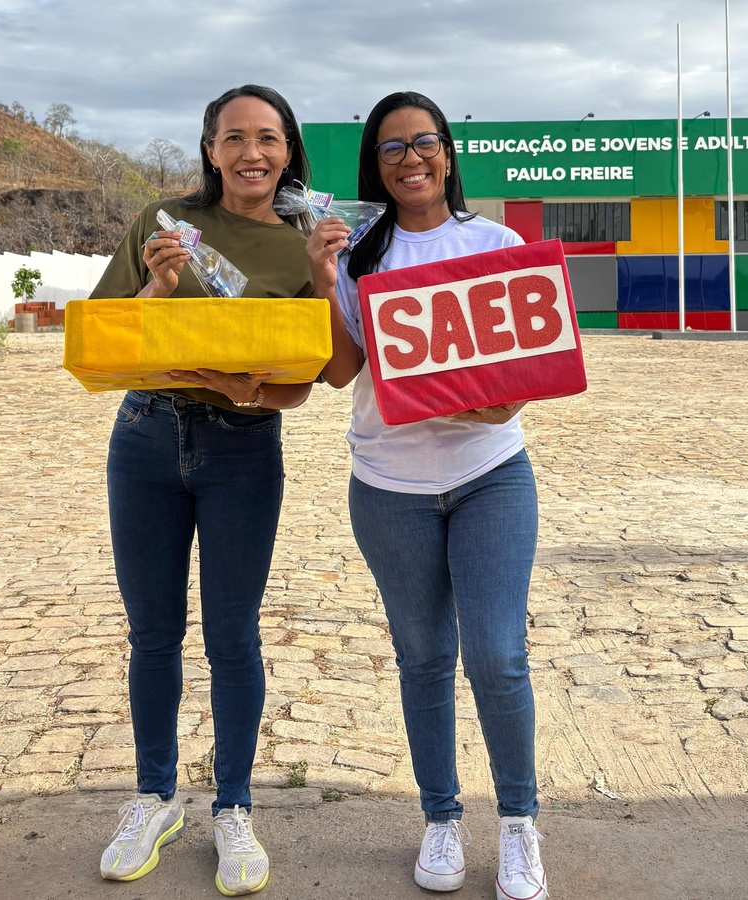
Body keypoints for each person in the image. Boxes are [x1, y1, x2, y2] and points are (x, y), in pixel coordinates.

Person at [305, 91, 548, 900]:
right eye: (391, 149)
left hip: (489, 477)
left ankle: (519, 825)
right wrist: (322, 276)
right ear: (374, 166)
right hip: (388, 486)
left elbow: (515, 386)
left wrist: (480, 403)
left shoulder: (495, 242)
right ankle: (441, 820)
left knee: (498, 656)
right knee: (423, 659)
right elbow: (340, 372)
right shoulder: (359, 255)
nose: (410, 159)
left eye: (424, 143)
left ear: (448, 154)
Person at [90, 84, 317, 896]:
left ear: (288, 149)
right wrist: (153, 289)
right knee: (152, 634)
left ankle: (233, 806)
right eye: (233, 138)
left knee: (233, 637)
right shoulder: (159, 223)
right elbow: (106, 341)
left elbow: (304, 383)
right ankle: (153, 798)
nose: (251, 152)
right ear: (210, 149)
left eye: (267, 137)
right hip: (144, 437)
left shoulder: (303, 251)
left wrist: (240, 387)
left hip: (244, 449)